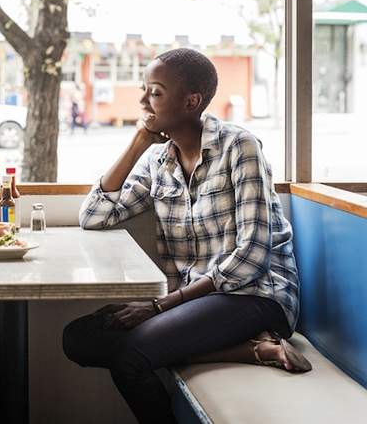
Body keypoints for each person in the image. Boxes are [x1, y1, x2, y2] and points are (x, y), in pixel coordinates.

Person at [62, 48, 309, 424]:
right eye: (143, 90)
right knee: (77, 337)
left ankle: (259, 340)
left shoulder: (239, 147)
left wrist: (161, 306)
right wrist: (138, 143)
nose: (143, 100)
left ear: (191, 101)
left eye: (155, 93)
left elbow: (252, 257)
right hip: (195, 301)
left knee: (131, 357)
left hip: (257, 296)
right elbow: (94, 216)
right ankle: (250, 349)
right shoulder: (158, 160)